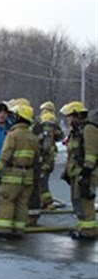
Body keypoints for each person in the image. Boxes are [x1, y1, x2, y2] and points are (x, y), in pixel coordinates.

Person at [0, 104, 40, 238]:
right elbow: (36, 159)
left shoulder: (13, 135)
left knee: (5, 200)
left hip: (13, 175)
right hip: (28, 176)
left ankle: (3, 230)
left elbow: (5, 155)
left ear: (19, 117)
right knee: (21, 203)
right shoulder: (33, 137)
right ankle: (19, 229)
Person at [59, 101, 98, 239]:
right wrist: (67, 172)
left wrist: (87, 172)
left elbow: (92, 152)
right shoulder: (76, 132)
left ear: (77, 115)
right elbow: (73, 155)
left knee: (85, 201)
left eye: (70, 116)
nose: (68, 120)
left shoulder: (89, 129)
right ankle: (82, 227)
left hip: (86, 173)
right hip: (76, 173)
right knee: (78, 202)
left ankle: (89, 231)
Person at [35, 104, 64, 210]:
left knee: (42, 181)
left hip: (45, 158)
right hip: (49, 158)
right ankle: (42, 201)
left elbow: (46, 144)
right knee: (43, 180)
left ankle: (47, 202)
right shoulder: (53, 121)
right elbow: (60, 136)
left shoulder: (46, 120)